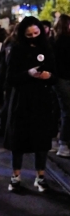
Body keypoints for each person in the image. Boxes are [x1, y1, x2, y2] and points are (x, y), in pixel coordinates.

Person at [4, 16, 56, 192]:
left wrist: (49, 77)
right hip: (22, 100)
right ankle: (15, 176)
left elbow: (56, 73)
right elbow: (10, 78)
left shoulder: (47, 48)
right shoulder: (17, 50)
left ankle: (40, 177)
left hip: (42, 100)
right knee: (18, 140)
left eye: (36, 33)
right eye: (29, 34)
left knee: (41, 140)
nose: (34, 36)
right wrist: (28, 74)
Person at [53, 14, 70, 157]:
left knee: (64, 110)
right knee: (67, 111)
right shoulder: (63, 41)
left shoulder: (55, 40)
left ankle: (62, 142)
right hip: (63, 79)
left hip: (59, 79)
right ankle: (63, 144)